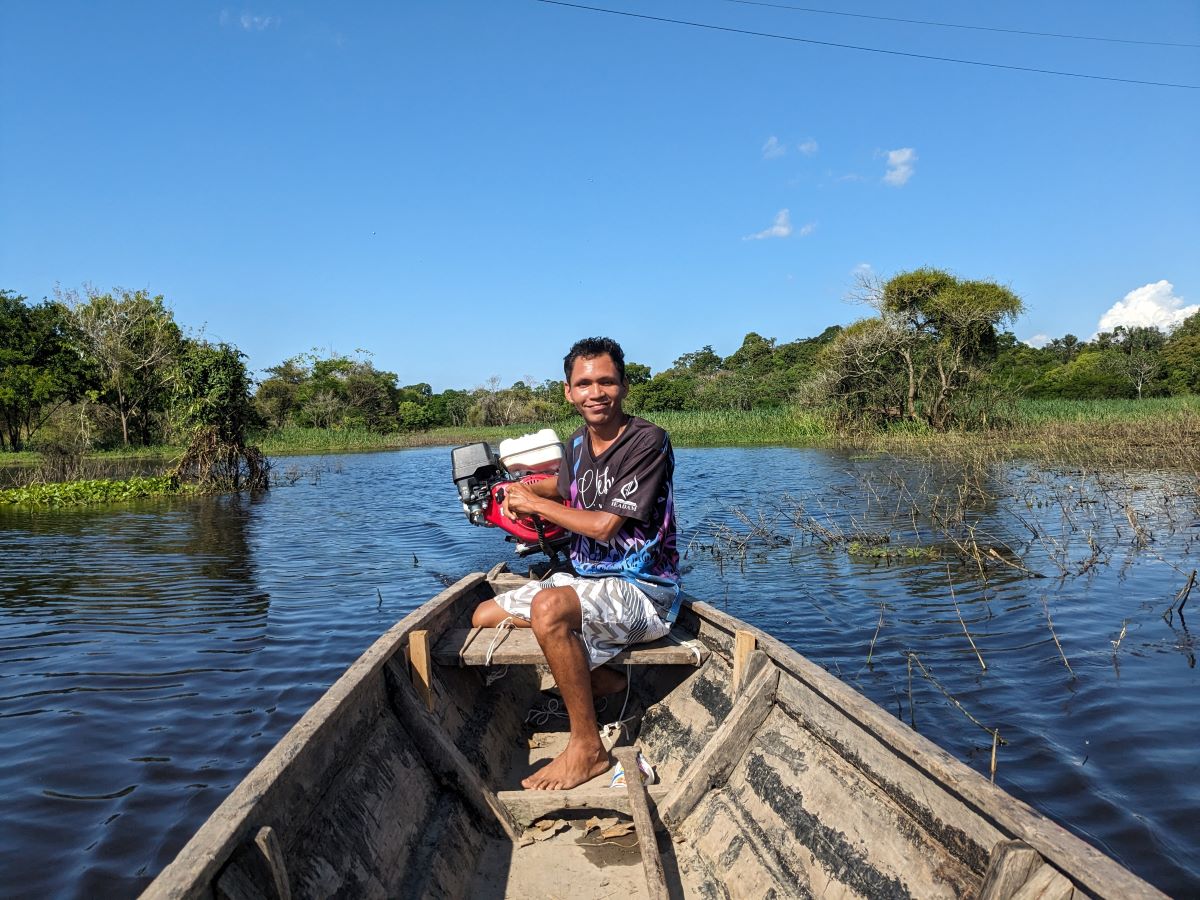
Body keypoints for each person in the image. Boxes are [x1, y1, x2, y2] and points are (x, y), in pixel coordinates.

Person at [471, 336, 680, 790]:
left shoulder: (648, 442)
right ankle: (599, 675)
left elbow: (605, 525)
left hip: (642, 590)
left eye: (606, 381)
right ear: (569, 392)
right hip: (586, 580)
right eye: (584, 384)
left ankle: (586, 748)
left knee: (549, 610)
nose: (596, 393)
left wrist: (536, 504)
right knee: (485, 614)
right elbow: (564, 488)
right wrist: (514, 492)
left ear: (623, 386)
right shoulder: (578, 445)